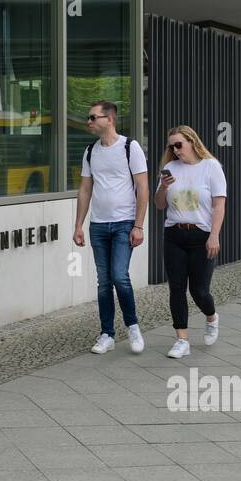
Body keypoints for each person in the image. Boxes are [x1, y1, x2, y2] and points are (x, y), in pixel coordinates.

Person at [73, 101, 149, 355]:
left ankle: (133, 326)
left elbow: (143, 188)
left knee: (119, 276)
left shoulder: (130, 147)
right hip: (98, 225)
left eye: (93, 117)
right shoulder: (90, 151)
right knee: (104, 282)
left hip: (123, 223)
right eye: (89, 117)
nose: (89, 122)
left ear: (110, 119)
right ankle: (107, 333)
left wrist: (138, 225)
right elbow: (85, 190)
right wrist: (78, 225)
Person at [153, 125, 226, 359]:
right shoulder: (169, 168)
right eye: (171, 146)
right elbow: (159, 204)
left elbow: (219, 205)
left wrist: (214, 235)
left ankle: (212, 317)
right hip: (174, 234)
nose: (175, 150)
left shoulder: (211, 167)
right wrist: (163, 187)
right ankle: (181, 340)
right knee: (176, 288)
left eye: (179, 145)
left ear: (192, 142)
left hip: (201, 236)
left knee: (199, 291)